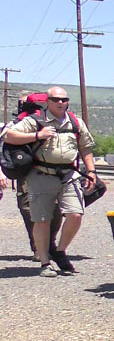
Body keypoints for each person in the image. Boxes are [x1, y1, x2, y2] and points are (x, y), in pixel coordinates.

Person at [4, 86, 97, 277]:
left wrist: (92, 171)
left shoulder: (75, 122)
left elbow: (86, 148)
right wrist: (38, 135)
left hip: (69, 175)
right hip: (41, 175)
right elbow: (9, 136)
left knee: (76, 214)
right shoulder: (35, 121)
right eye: (56, 100)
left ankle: (60, 251)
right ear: (47, 101)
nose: (61, 103)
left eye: (64, 99)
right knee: (42, 221)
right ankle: (45, 263)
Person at [8, 92, 62, 261]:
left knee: (57, 209)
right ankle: (39, 247)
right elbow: (5, 148)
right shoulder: (16, 125)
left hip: (52, 173)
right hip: (25, 173)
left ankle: (49, 242)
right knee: (29, 209)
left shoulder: (56, 123)